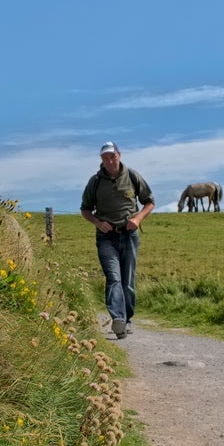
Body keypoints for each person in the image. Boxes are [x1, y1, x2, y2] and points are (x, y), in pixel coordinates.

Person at [80, 141, 155, 339]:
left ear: (119, 155)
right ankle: (118, 319)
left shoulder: (132, 176)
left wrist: (137, 219)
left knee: (127, 281)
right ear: (102, 160)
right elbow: (85, 210)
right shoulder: (95, 181)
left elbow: (149, 202)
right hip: (106, 237)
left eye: (112, 156)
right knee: (114, 278)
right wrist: (98, 223)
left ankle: (127, 319)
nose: (110, 160)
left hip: (129, 235)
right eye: (105, 158)